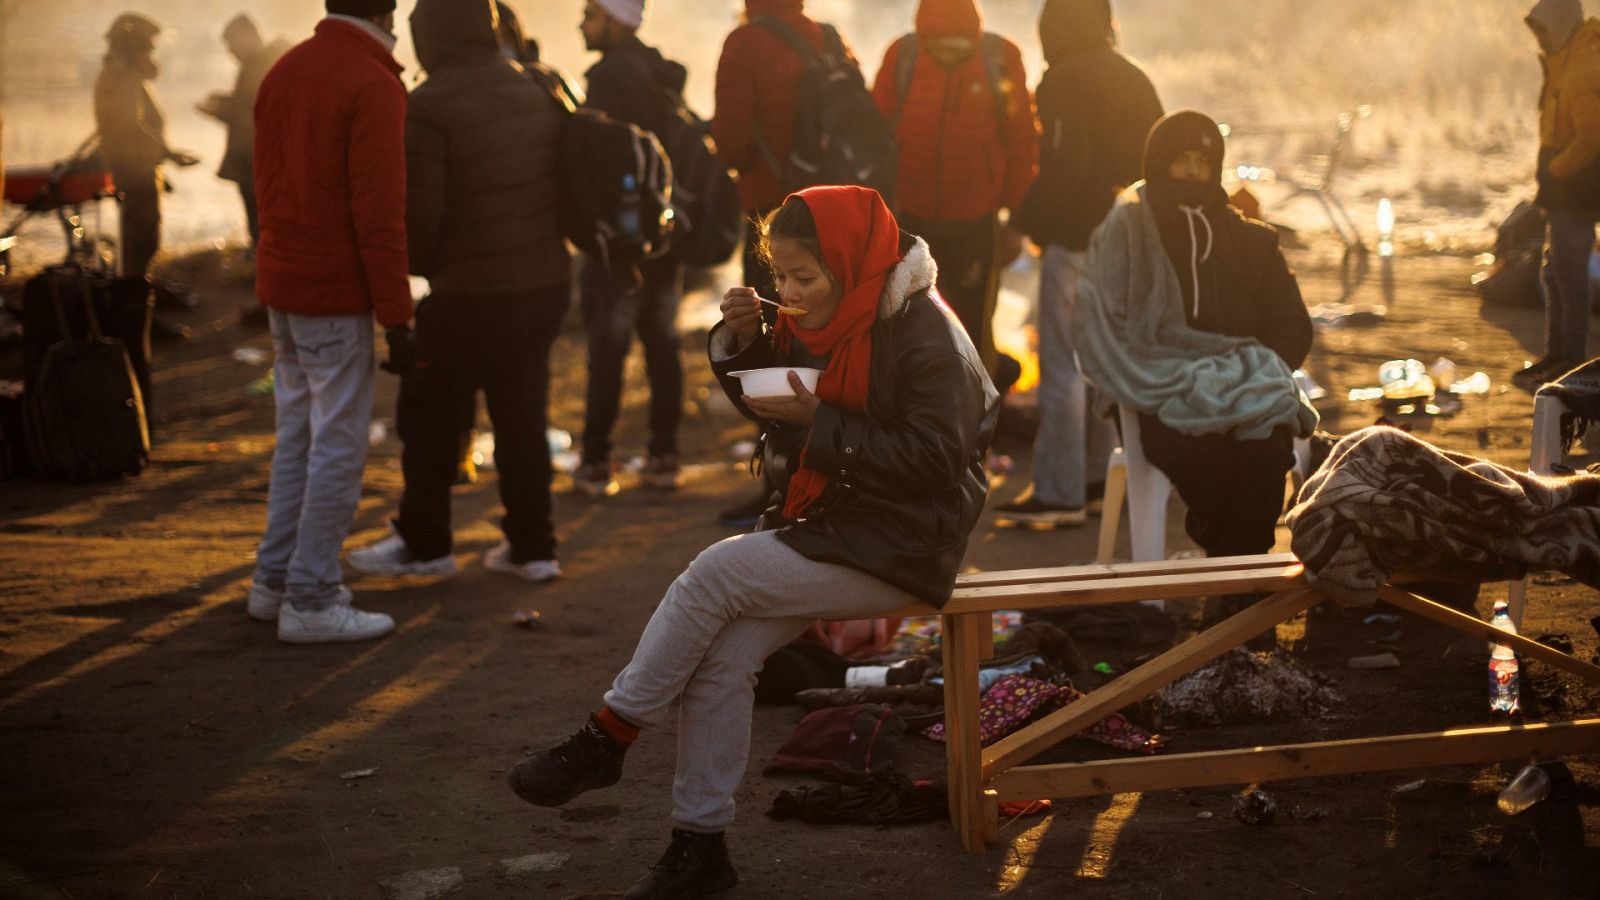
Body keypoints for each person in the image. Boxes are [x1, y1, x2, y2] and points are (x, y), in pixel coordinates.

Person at [505, 186, 997, 899]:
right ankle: (699, 847)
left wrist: (822, 417)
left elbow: (935, 459)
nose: (791, 294)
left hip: (906, 545)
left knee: (714, 576)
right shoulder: (845, 316)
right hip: (841, 524)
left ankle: (607, 737)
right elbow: (781, 406)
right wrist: (746, 343)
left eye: (806, 278)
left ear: (854, 262)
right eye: (781, 280)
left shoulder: (924, 331)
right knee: (722, 660)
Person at [346, 0, 571, 584]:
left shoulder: (428, 105)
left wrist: (423, 272)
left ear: (429, 38)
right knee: (522, 415)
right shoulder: (534, 88)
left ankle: (426, 544)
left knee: (432, 417)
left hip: (470, 291)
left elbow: (418, 218)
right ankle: (534, 547)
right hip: (544, 283)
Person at [1073, 109, 1315, 643]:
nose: (1190, 172)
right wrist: (1169, 371)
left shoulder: (1252, 241)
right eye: (1179, 161)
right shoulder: (1128, 231)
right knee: (1204, 457)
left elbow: (1291, 325)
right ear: (1158, 164)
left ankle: (1234, 601)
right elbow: (1104, 322)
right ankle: (1242, 603)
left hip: (1247, 385)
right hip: (1159, 391)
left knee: (1265, 448)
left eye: (1201, 162)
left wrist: (1251, 369)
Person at [247, 0, 412, 643]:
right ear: (385, 11)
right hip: (332, 294)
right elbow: (380, 217)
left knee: (298, 438)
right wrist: (397, 316)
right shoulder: (373, 84)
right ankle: (311, 598)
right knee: (338, 445)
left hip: (283, 283)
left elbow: (267, 187)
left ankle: (274, 582)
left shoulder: (286, 68)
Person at [995, 0, 1163, 528]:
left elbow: (1066, 166)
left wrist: (1023, 222)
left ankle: (1060, 491)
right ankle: (1096, 481)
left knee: (1063, 365)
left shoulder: (1065, 80)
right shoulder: (1133, 76)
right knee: (1100, 365)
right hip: (1129, 241)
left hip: (1076, 240)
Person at [710, 0, 863, 527]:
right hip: (835, 218)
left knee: (774, 343)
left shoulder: (745, 43)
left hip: (774, 216)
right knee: (831, 338)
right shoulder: (827, 36)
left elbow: (729, 143)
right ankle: (832, 460)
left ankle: (784, 475)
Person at [870, 0, 1039, 379]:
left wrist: (1016, 224)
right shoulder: (904, 56)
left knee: (970, 331)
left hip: (975, 223)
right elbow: (875, 139)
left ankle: (973, 426)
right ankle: (929, 422)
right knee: (909, 327)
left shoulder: (1000, 58)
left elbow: (1022, 142)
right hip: (910, 221)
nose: (949, 53)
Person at [570, 0, 689, 498]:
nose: (582, 23)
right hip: (664, 237)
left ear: (619, 20)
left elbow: (593, 166)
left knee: (609, 350)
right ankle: (663, 456)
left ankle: (597, 461)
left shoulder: (606, 80)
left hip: (619, 243)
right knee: (662, 346)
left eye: (591, 14)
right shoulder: (661, 74)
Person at [1518, 0, 1600, 390]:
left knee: (1569, 275)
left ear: (1563, 25)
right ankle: (1557, 356)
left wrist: (1558, 170)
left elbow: (1592, 135)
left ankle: (1571, 362)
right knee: (1555, 273)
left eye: (1545, 29)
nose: (1541, 37)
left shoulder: (1583, 65)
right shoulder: (1564, 59)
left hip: (1577, 189)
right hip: (1562, 189)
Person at [94, 12, 199, 280]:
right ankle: (133, 307)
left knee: (141, 238)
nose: (152, 54)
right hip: (135, 171)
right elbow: (131, 126)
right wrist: (169, 154)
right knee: (140, 241)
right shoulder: (123, 78)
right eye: (149, 47)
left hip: (138, 169)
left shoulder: (124, 76)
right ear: (133, 48)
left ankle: (137, 305)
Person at [197, 14, 288, 251]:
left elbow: (251, 111)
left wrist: (218, 108)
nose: (230, 51)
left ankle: (264, 268)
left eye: (232, 44)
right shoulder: (263, 62)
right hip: (257, 159)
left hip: (257, 160)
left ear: (248, 37)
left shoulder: (261, 64)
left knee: (263, 220)